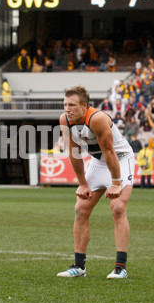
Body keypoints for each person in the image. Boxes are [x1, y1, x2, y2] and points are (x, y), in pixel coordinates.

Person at [57, 85, 135, 279]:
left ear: (85, 105)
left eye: (72, 105)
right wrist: (82, 184)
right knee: (81, 208)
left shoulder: (98, 119)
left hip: (120, 159)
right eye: (65, 104)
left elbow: (110, 152)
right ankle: (79, 266)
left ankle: (120, 267)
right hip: (98, 162)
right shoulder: (64, 120)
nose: (68, 109)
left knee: (117, 207)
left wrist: (116, 183)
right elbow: (74, 153)